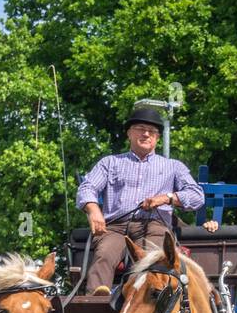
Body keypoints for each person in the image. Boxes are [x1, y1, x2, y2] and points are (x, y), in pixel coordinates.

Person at [75, 105, 205, 294]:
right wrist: (93, 210)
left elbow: (197, 195)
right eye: (140, 129)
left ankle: (145, 305)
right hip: (115, 227)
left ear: (158, 138)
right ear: (129, 133)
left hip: (154, 225)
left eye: (152, 131)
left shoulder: (173, 166)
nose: (146, 134)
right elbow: (87, 187)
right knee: (104, 256)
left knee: (152, 260)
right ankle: (95, 303)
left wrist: (167, 198)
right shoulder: (110, 162)